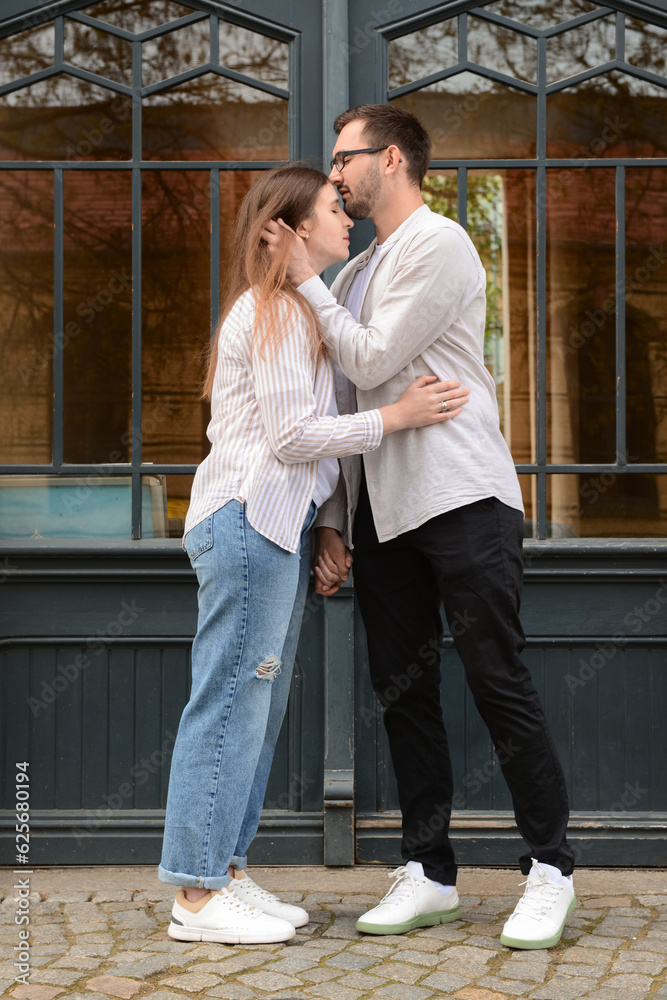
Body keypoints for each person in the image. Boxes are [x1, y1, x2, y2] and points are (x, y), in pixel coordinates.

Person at [264, 106, 576, 950]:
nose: (331, 174)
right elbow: (348, 401)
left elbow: (368, 360)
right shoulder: (360, 268)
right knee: (403, 695)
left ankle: (550, 868)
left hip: (463, 499)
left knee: (495, 679)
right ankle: (429, 870)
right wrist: (334, 521)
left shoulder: (438, 244)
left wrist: (302, 283)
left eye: (342, 158)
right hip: (383, 516)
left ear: (389, 158)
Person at [157, 163, 470, 946]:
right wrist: (395, 417)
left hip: (273, 525)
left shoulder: (299, 312)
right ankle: (194, 894)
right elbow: (293, 437)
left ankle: (224, 868)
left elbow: (306, 445)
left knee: (251, 711)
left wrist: (324, 526)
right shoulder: (273, 311)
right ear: (293, 229)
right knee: (227, 705)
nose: (347, 217)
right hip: (245, 523)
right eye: (333, 207)